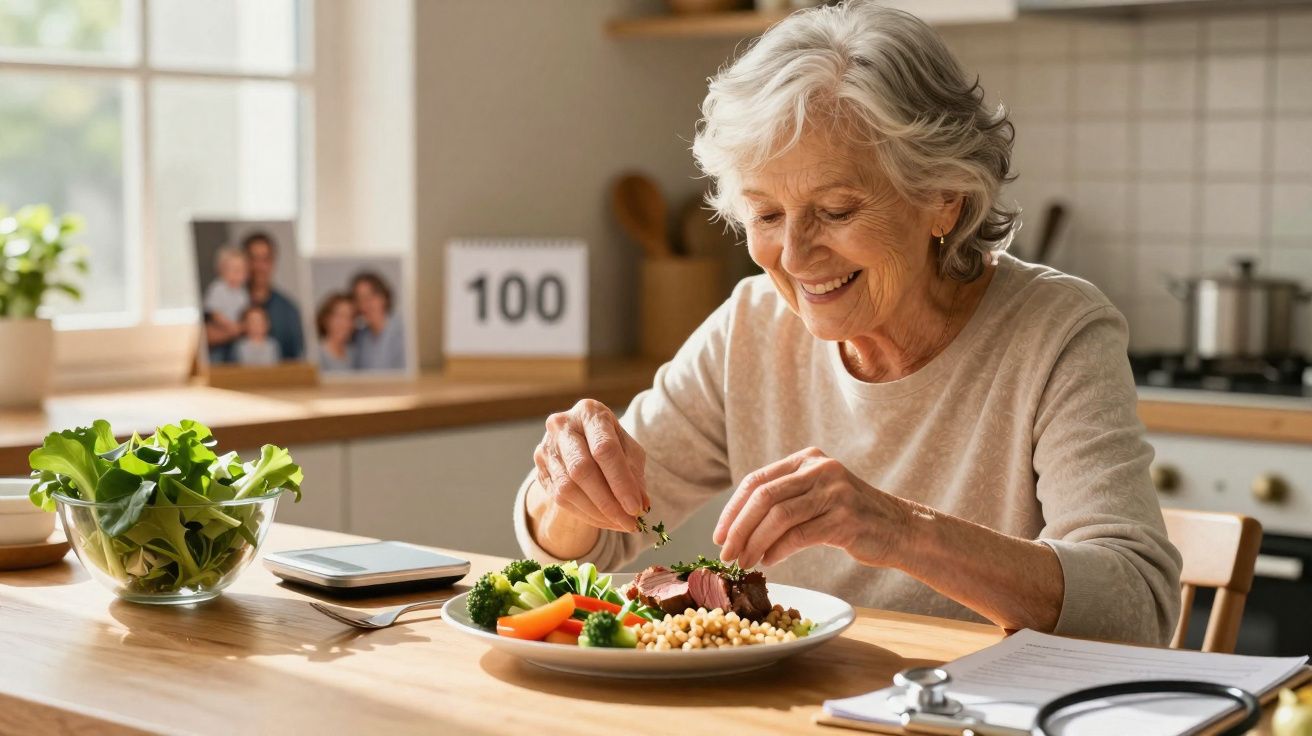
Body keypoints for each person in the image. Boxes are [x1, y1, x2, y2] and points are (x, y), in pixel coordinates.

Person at [514, 1, 1181, 645]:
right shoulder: (752, 324)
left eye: (835, 211)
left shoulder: (1056, 333)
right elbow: (591, 543)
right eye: (767, 216)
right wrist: (567, 485)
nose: (797, 257)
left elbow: (1136, 609)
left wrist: (898, 530)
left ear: (944, 199)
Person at [243, 231, 305, 361]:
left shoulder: (288, 311)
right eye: (254, 259)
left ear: (273, 262)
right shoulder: (228, 304)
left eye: (265, 259)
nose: (259, 267)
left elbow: (296, 360)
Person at [350, 271, 405, 371]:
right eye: (359, 298)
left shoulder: (403, 332)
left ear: (384, 298)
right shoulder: (361, 337)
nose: (364, 304)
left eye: (370, 297)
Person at [203, 246, 249, 338]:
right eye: (232, 270)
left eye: (240, 271)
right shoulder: (218, 288)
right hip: (220, 329)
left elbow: (246, 313)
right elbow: (214, 312)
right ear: (220, 270)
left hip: (237, 332)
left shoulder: (243, 293)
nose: (236, 275)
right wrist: (230, 326)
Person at [316, 292, 357, 373]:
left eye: (350, 317)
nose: (346, 323)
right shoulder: (315, 356)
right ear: (326, 319)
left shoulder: (354, 353)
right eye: (340, 316)